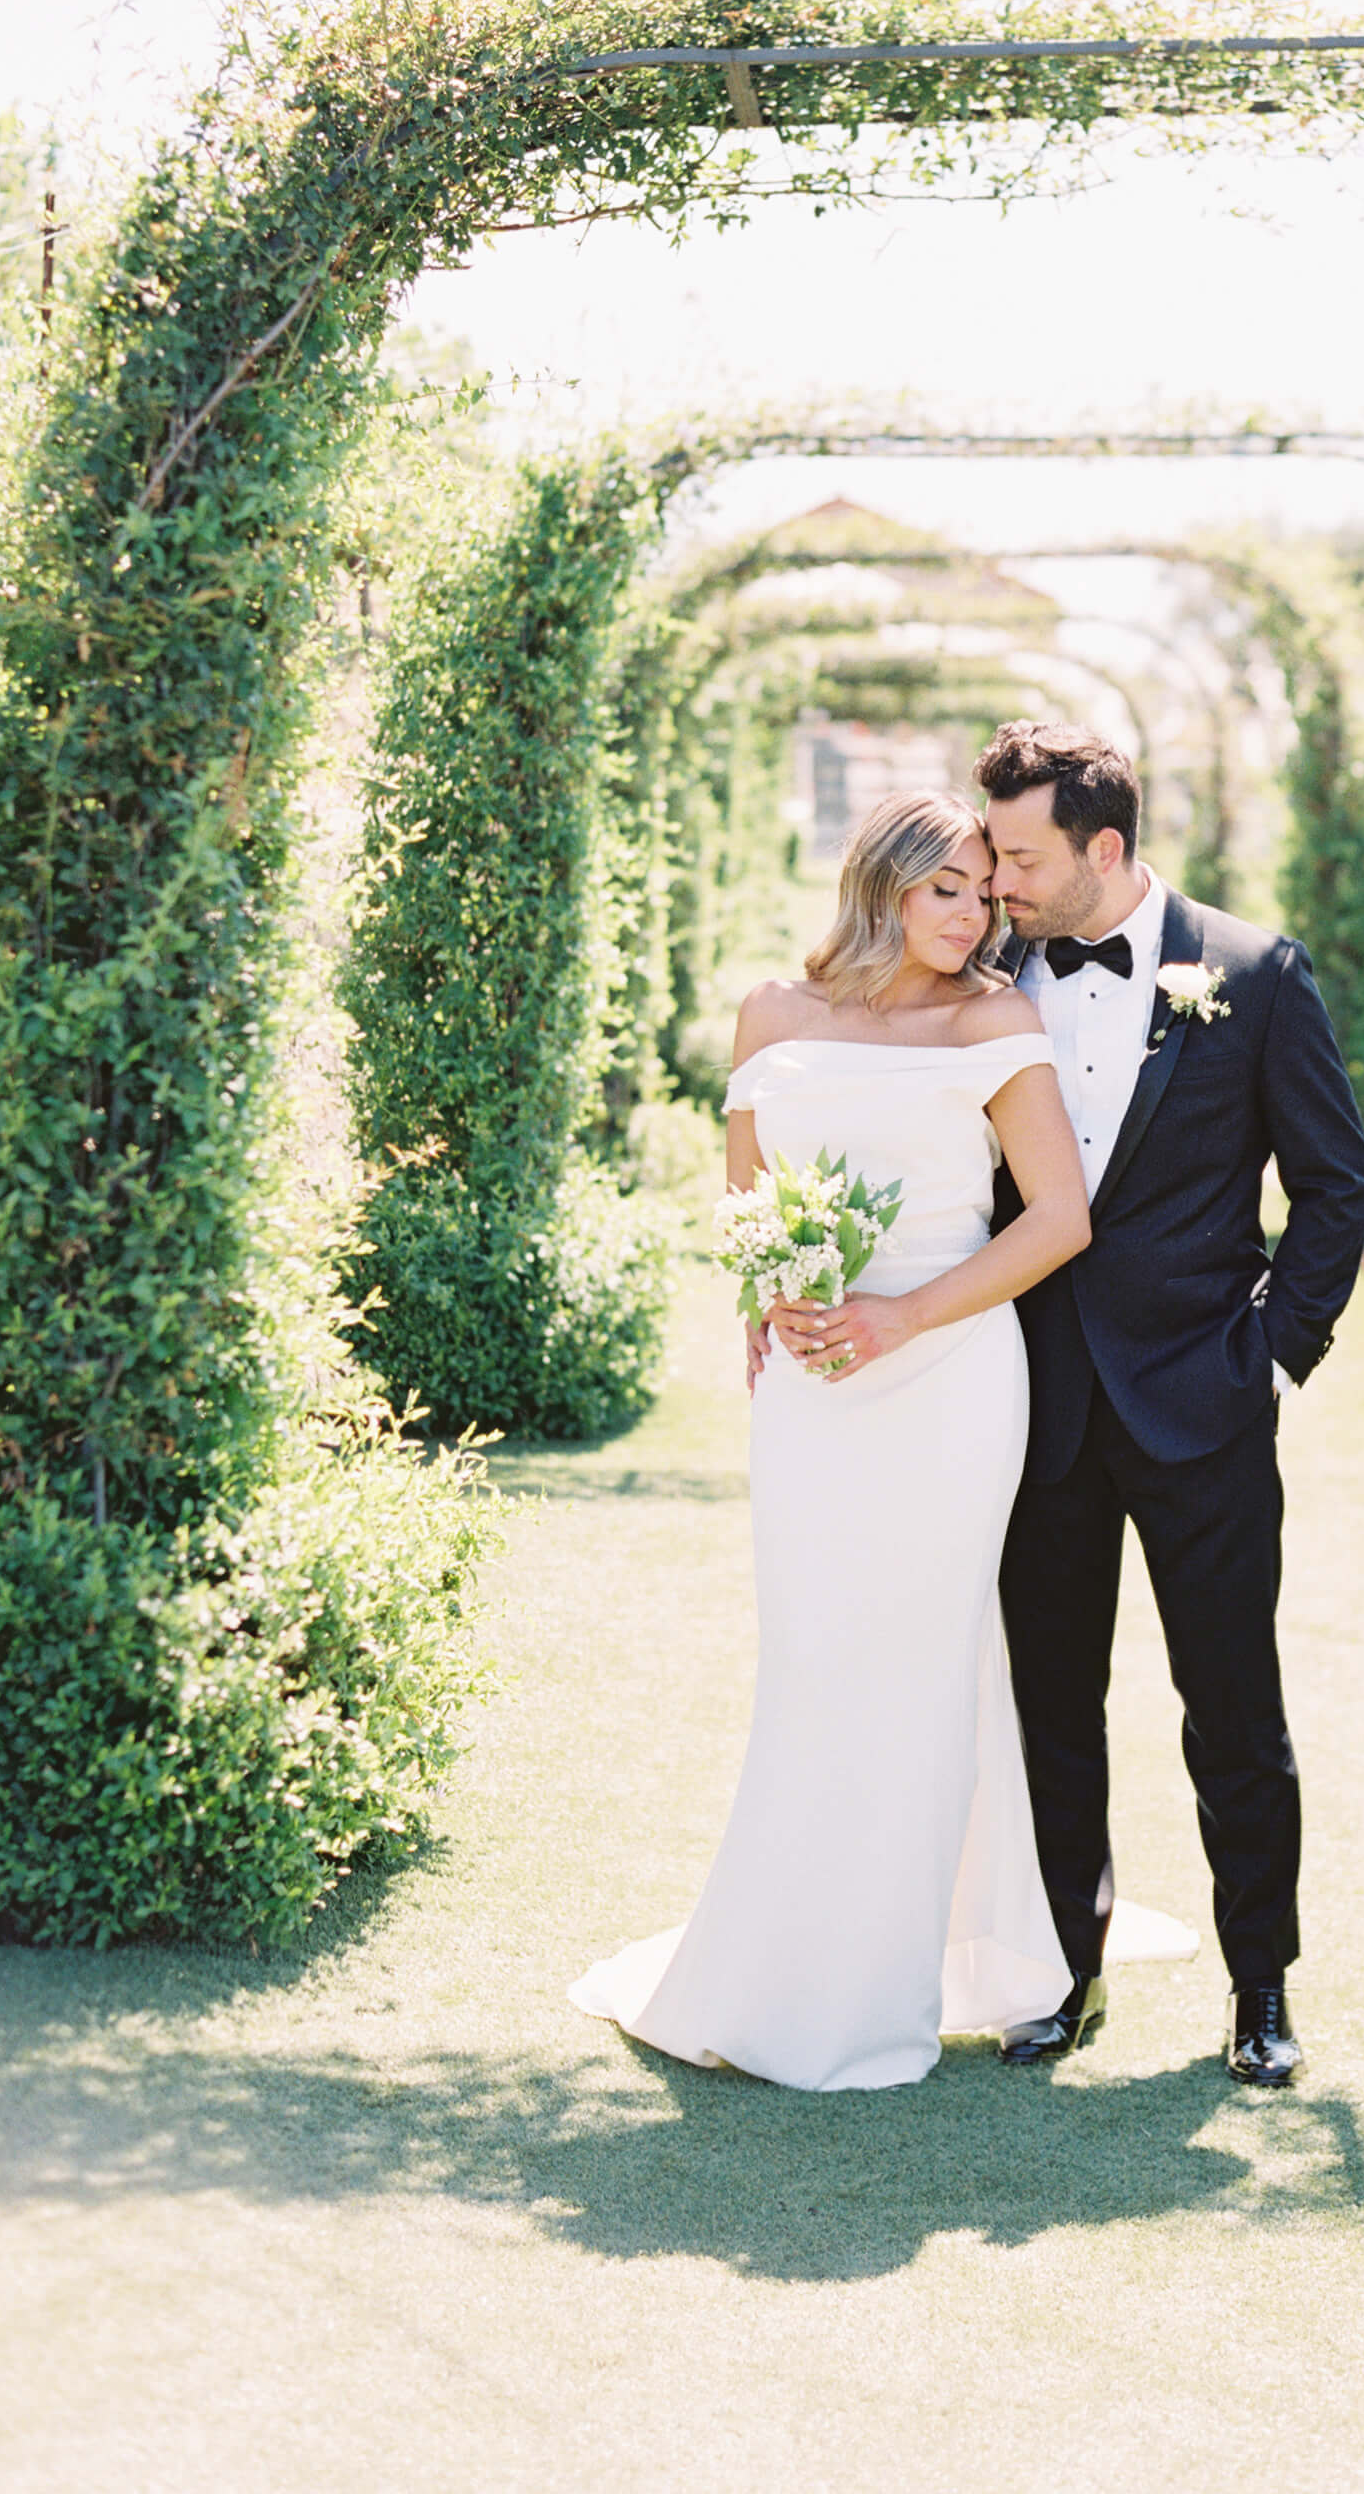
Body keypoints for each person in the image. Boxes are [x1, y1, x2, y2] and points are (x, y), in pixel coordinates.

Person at [569, 792, 1092, 2092]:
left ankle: (892, 1983)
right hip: (814, 1393)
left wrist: (901, 1312)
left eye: (985, 894)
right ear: (881, 886)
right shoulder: (772, 1016)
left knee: (921, 1669)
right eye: (948, 891)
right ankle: (774, 1961)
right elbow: (745, 1196)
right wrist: (774, 1299)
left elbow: (1057, 1222)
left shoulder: (995, 1019)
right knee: (813, 1664)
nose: (975, 916)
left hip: (953, 1376)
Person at [975, 720, 1364, 2089]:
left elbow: (1333, 1185)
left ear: (1105, 848)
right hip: (1032, 1404)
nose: (996, 879)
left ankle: (1259, 1991)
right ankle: (1059, 1977)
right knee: (1048, 1702)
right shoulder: (988, 968)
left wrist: (1269, 1353)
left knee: (1232, 1707)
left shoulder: (1255, 977)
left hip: (1203, 1404)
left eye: (1020, 856)